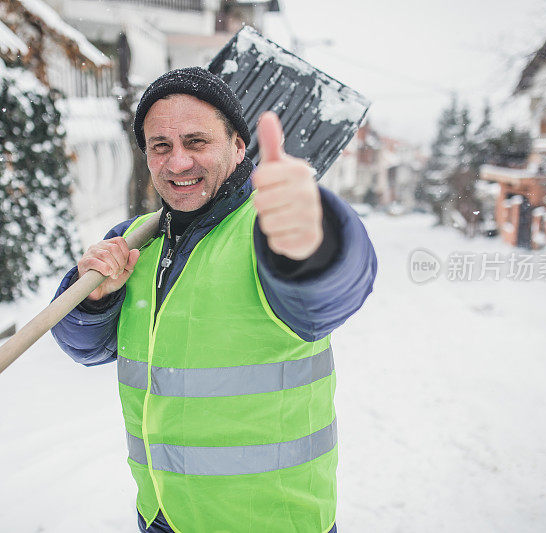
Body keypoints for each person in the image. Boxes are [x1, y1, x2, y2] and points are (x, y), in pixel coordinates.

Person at [51, 67, 377, 533]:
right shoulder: (132, 243)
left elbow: (331, 290)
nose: (177, 162)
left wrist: (315, 245)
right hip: (162, 515)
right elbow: (85, 348)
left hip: (268, 522)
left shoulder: (266, 231)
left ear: (239, 147)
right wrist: (95, 300)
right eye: (160, 146)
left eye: (196, 142)